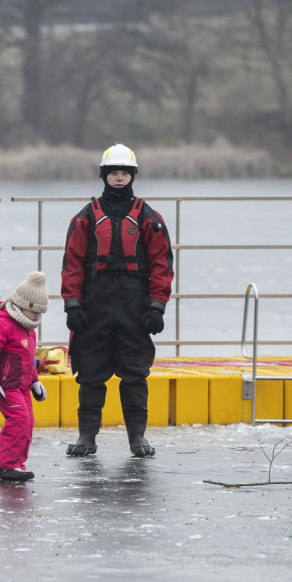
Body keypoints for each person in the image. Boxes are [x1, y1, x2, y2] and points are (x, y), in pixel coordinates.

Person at [61, 143, 173, 458]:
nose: (119, 178)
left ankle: (137, 438)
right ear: (104, 175)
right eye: (114, 173)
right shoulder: (86, 216)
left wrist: (157, 306)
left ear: (132, 175)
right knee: (91, 375)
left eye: (124, 172)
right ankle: (87, 438)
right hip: (94, 306)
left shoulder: (149, 217)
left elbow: (162, 265)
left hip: (134, 307)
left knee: (135, 374)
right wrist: (72, 304)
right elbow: (72, 263)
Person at [0, 272, 49, 482]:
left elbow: (27, 360)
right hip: (6, 386)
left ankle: (17, 461)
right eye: (33, 310)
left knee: (28, 422)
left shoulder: (29, 329)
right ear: (20, 305)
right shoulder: (2, 324)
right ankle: (5, 464)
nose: (36, 316)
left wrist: (35, 381)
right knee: (18, 420)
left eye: (40, 312)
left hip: (23, 385)